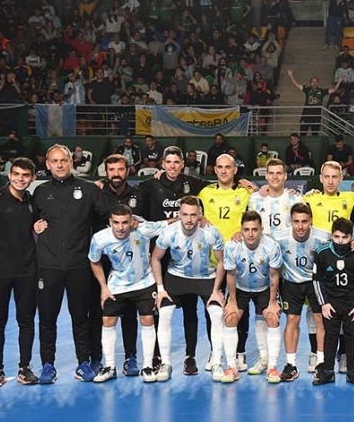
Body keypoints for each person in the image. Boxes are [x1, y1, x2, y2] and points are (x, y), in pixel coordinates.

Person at [32, 144, 116, 384]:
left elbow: (113, 213)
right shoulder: (40, 192)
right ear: (47, 165)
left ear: (71, 163)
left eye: (64, 160)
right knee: (47, 319)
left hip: (80, 265)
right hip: (48, 266)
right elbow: (29, 220)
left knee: (81, 317)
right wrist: (34, 225)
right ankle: (48, 365)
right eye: (55, 161)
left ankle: (83, 362)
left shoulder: (88, 190)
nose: (59, 165)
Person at [88, 205, 171, 383]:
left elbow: (168, 223)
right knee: (108, 321)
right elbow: (94, 261)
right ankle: (110, 366)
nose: (120, 227)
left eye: (125, 222)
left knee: (147, 320)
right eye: (116, 223)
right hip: (117, 284)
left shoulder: (144, 229)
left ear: (132, 221)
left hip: (144, 282)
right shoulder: (100, 238)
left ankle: (147, 366)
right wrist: (103, 287)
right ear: (110, 222)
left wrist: (199, 219)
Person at [0, 157, 39, 387]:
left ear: (32, 178)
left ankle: (25, 368)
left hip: (27, 270)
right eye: (16, 174)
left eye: (25, 175)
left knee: (27, 321)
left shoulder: (32, 202)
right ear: (9, 174)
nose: (20, 179)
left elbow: (37, 225)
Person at [151, 196, 227, 383]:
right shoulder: (169, 232)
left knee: (217, 313)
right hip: (177, 277)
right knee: (165, 312)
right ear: (179, 215)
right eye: (185, 214)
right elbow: (155, 258)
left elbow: (222, 262)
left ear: (200, 215)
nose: (189, 219)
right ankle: (166, 363)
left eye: (193, 215)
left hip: (205, 278)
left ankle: (217, 362)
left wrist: (217, 290)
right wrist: (160, 289)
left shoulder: (211, 233)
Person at [245, 158, 304, 373]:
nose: (276, 177)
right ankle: (264, 358)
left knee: (292, 314)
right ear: (266, 176)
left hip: (288, 265)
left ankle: (294, 360)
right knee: (262, 311)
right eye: (271, 173)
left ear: (286, 176)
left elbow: (304, 223)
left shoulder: (295, 198)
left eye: (280, 173)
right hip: (262, 263)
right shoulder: (255, 199)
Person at [198, 153, 254, 370]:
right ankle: (215, 352)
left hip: (239, 261)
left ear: (235, 170)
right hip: (211, 261)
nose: (223, 170)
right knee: (211, 307)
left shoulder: (245, 193)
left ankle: (240, 352)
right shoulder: (205, 192)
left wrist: (255, 189)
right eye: (219, 167)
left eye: (227, 167)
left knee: (240, 306)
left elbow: (259, 210)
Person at [96, 154, 149, 376]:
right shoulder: (96, 193)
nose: (116, 174)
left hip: (130, 264)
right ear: (106, 172)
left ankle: (131, 357)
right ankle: (100, 360)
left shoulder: (139, 194)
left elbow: (148, 223)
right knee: (104, 313)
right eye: (111, 170)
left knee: (129, 313)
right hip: (104, 262)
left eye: (120, 169)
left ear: (127, 171)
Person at [222, 210, 283, 383]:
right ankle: (231, 367)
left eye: (254, 229)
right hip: (241, 287)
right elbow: (231, 275)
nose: (250, 234)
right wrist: (232, 301)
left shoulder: (271, 247)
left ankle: (271, 367)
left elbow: (273, 275)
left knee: (272, 317)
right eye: (246, 229)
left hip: (264, 287)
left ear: (261, 230)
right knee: (230, 317)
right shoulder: (232, 246)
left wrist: (272, 302)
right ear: (241, 230)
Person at [275, 203, 332, 380]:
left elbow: (340, 243)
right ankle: (291, 364)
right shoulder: (279, 237)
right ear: (290, 221)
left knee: (320, 320)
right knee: (292, 320)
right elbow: (258, 239)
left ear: (311, 221)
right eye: (296, 221)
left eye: (304, 222)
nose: (300, 226)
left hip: (315, 282)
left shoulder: (323, 238)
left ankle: (321, 363)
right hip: (291, 282)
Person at [311, 217, 354, 386]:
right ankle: (328, 371)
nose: (340, 241)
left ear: (351, 237)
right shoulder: (322, 253)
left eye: (344, 238)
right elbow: (317, 280)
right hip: (331, 302)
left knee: (352, 337)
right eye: (336, 237)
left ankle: (352, 371)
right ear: (331, 236)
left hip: (351, 304)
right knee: (330, 337)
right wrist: (324, 303)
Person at [286, 69, 341, 135]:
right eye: (313, 82)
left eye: (316, 82)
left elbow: (334, 90)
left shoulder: (322, 91)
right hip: (306, 114)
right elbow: (296, 85)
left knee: (315, 134)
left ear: (318, 83)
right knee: (303, 133)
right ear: (310, 83)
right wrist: (291, 76)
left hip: (316, 115)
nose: (314, 83)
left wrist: (339, 81)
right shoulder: (307, 89)